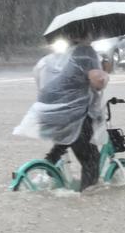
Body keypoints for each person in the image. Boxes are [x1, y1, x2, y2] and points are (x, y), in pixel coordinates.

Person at [14, 27, 109, 191]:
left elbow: (41, 80)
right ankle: (85, 197)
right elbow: (97, 82)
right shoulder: (86, 52)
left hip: (46, 114)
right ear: (87, 34)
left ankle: (47, 170)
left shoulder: (52, 57)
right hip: (71, 114)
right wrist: (105, 75)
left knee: (64, 142)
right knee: (91, 159)